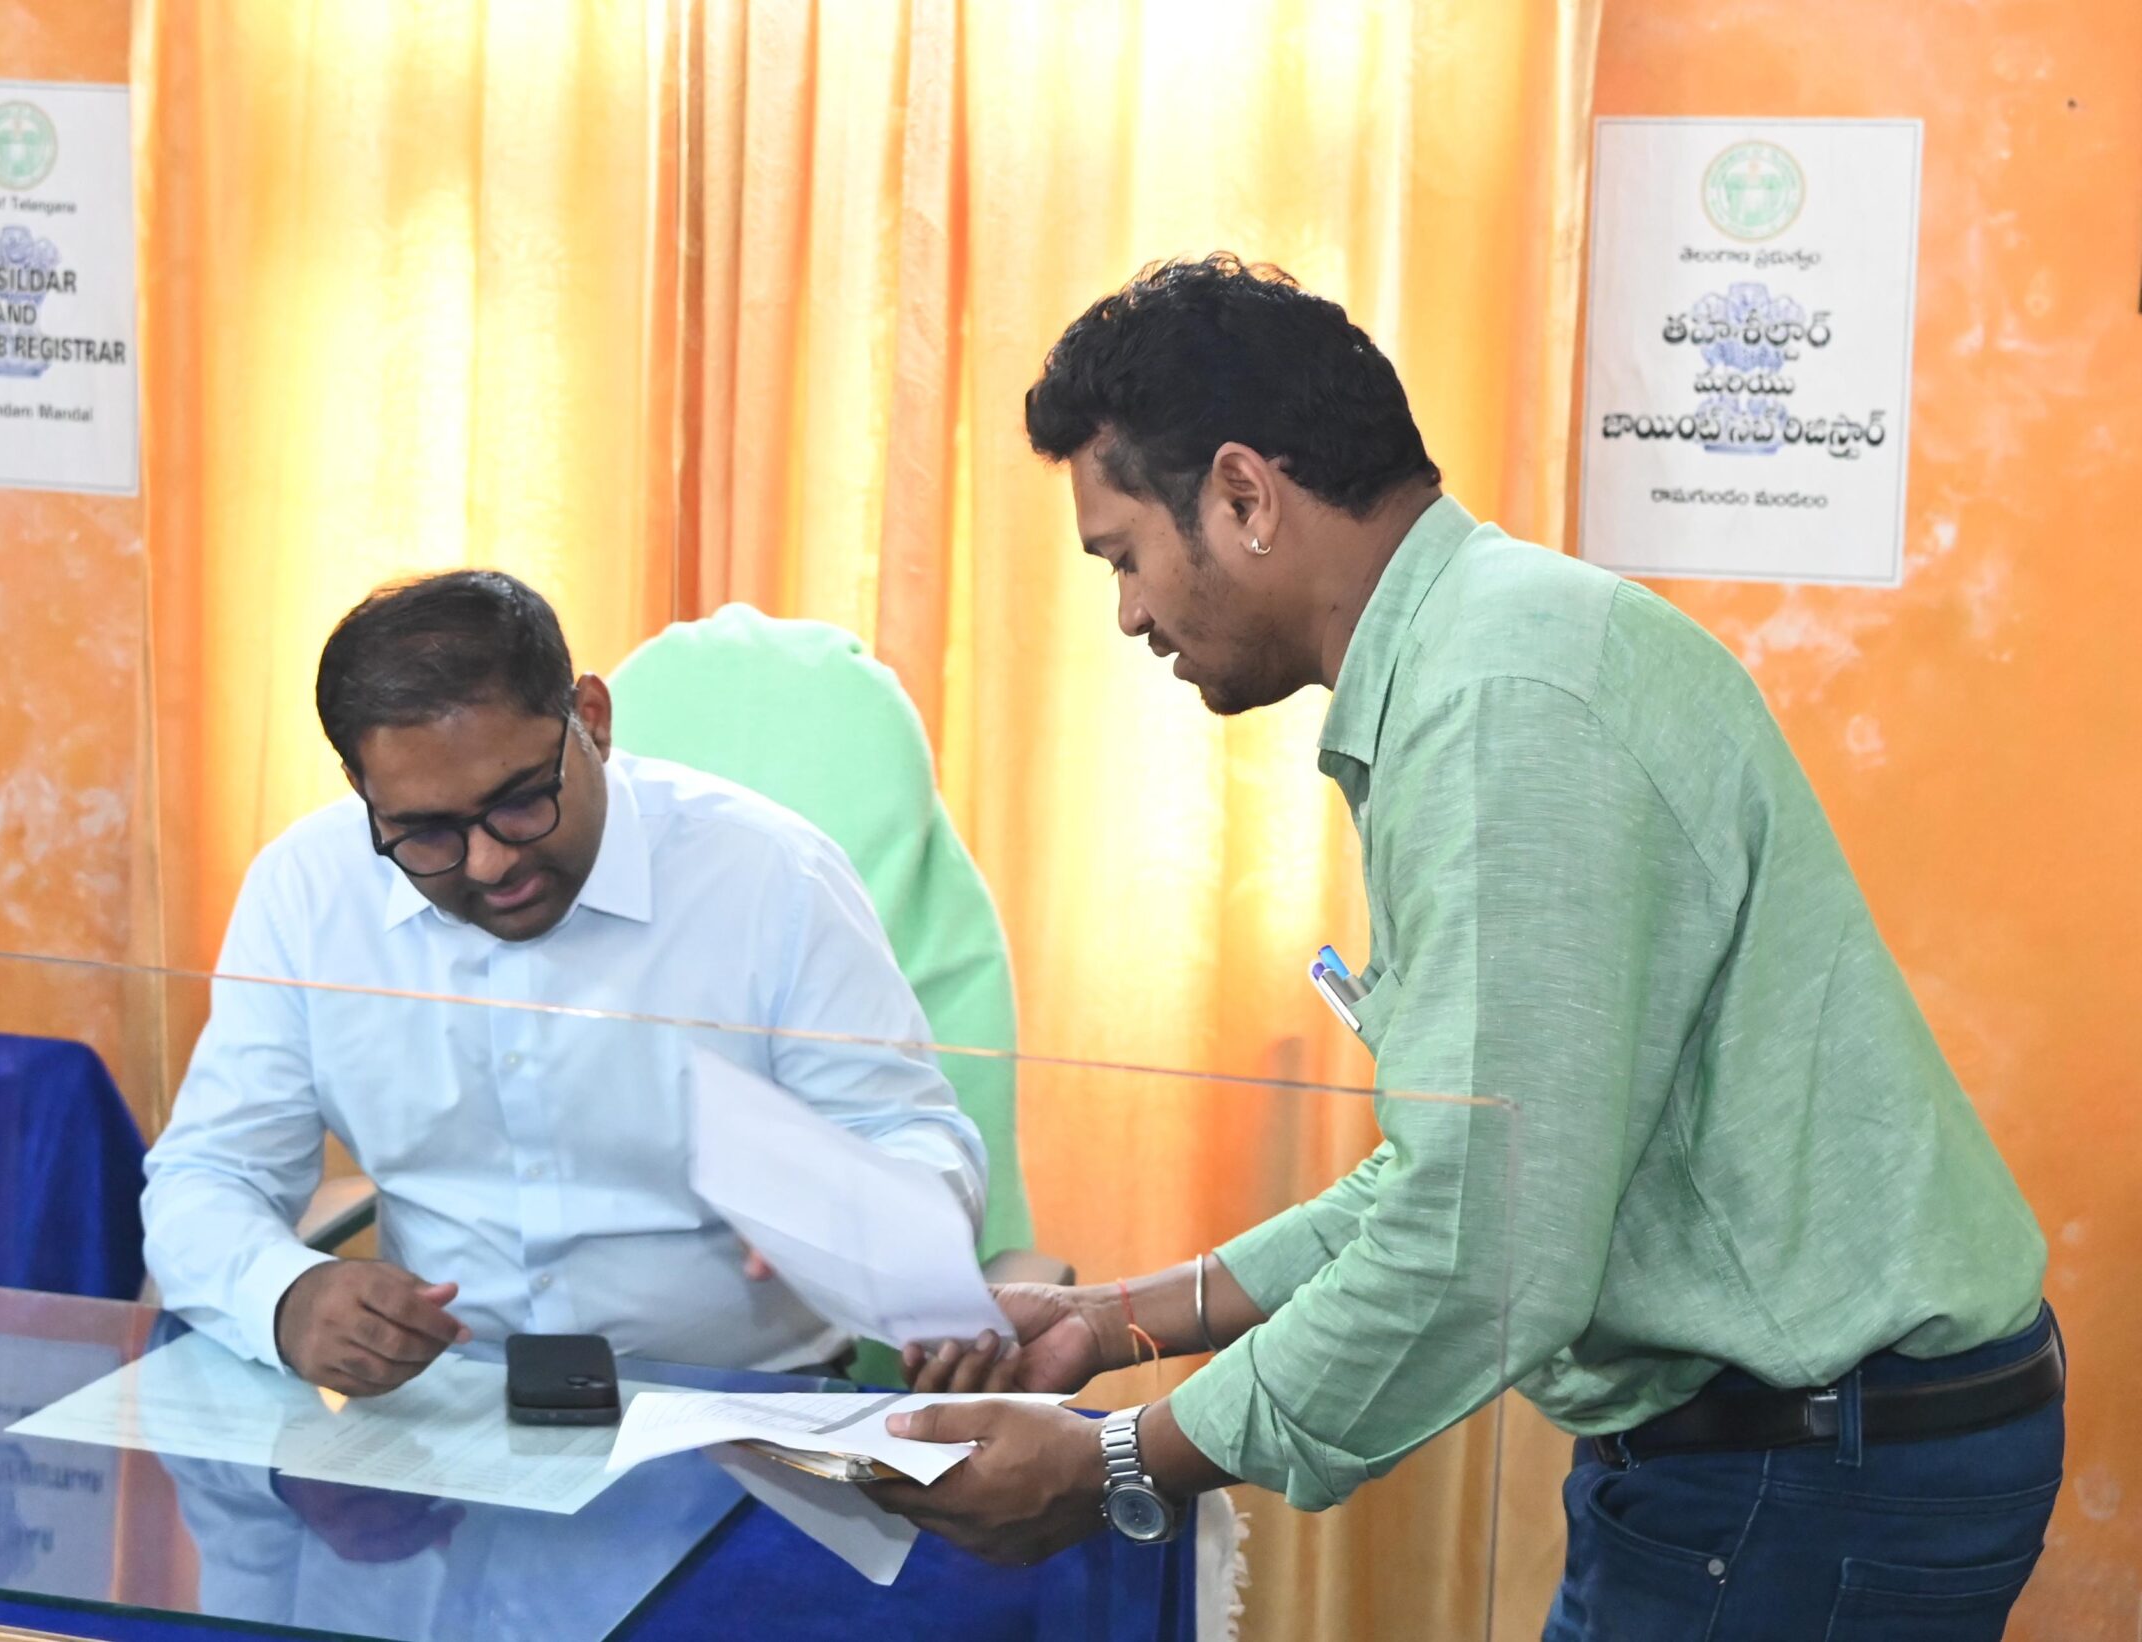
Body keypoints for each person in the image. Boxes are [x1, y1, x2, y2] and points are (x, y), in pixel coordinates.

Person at [871, 256, 2060, 1641]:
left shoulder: (1505, 703)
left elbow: (1480, 1247)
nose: (1129, 613)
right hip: (1795, 1446)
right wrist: (1125, 1318)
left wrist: (1115, 1463)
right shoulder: (1487, 652)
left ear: (1245, 496)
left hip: (1808, 1468)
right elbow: (1458, 1168)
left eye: (1123, 555)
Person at [143, 570, 986, 1394]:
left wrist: (870, 1209)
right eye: (426, 831)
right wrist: (286, 1297)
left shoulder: (771, 875)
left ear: (592, 720)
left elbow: (907, 1134)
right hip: (445, 1412)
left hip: (737, 1406)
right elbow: (207, 1177)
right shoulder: (307, 889)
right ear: (364, 792)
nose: (489, 862)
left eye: (518, 801)